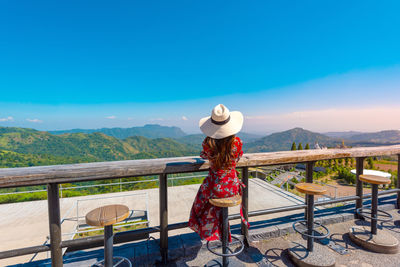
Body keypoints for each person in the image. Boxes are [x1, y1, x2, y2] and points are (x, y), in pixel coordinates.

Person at [188, 104, 249, 242]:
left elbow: (204, 155)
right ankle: (223, 233)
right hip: (232, 187)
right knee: (217, 207)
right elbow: (238, 157)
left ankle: (210, 231)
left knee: (199, 207)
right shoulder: (237, 142)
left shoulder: (208, 144)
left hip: (214, 187)